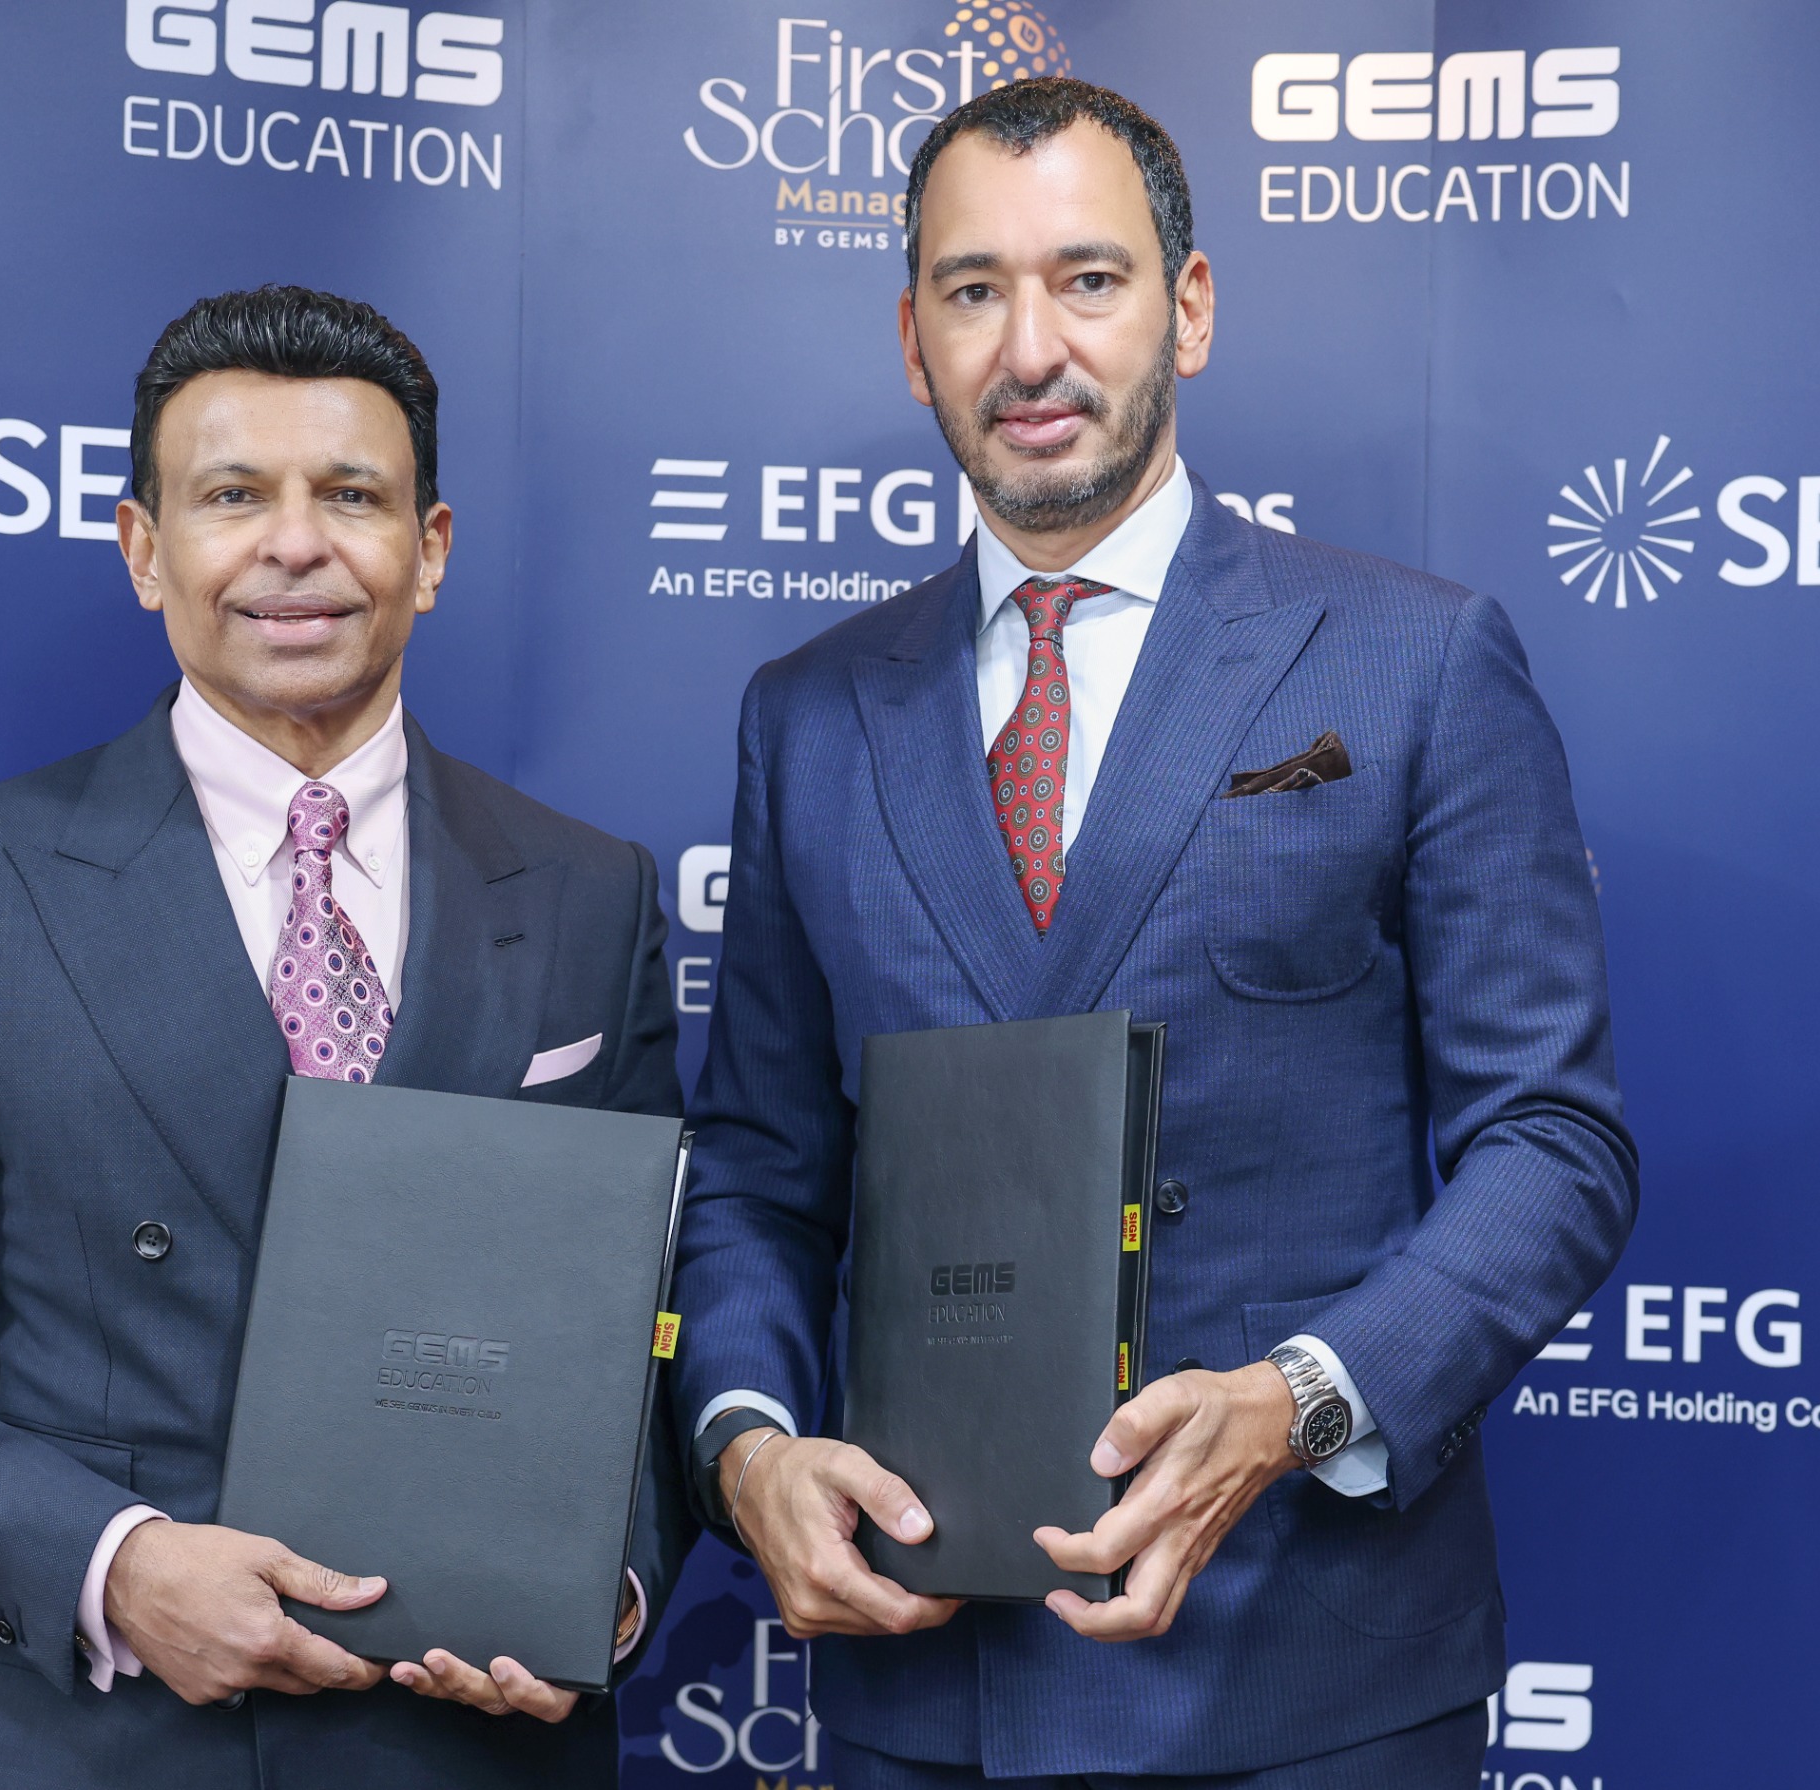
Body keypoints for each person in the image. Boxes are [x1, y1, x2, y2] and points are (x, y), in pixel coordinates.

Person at [669, 79, 1635, 1789]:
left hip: (1312, 1675)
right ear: (911, 340)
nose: (1031, 347)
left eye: (1089, 280)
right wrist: (748, 1447)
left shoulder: (1413, 661)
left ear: (1188, 309)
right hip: (926, 1680)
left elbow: (1554, 1143)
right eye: (974, 289)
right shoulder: (805, 716)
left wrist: (1303, 1397)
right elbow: (755, 1170)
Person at [0, 285, 690, 1789]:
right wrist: (113, 1565)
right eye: (233, 495)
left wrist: (604, 1585)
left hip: (479, 1746)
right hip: (111, 1742)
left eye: (352, 495)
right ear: (144, 548)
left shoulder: (592, 891)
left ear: (431, 550)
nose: (294, 545)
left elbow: (650, 1322)